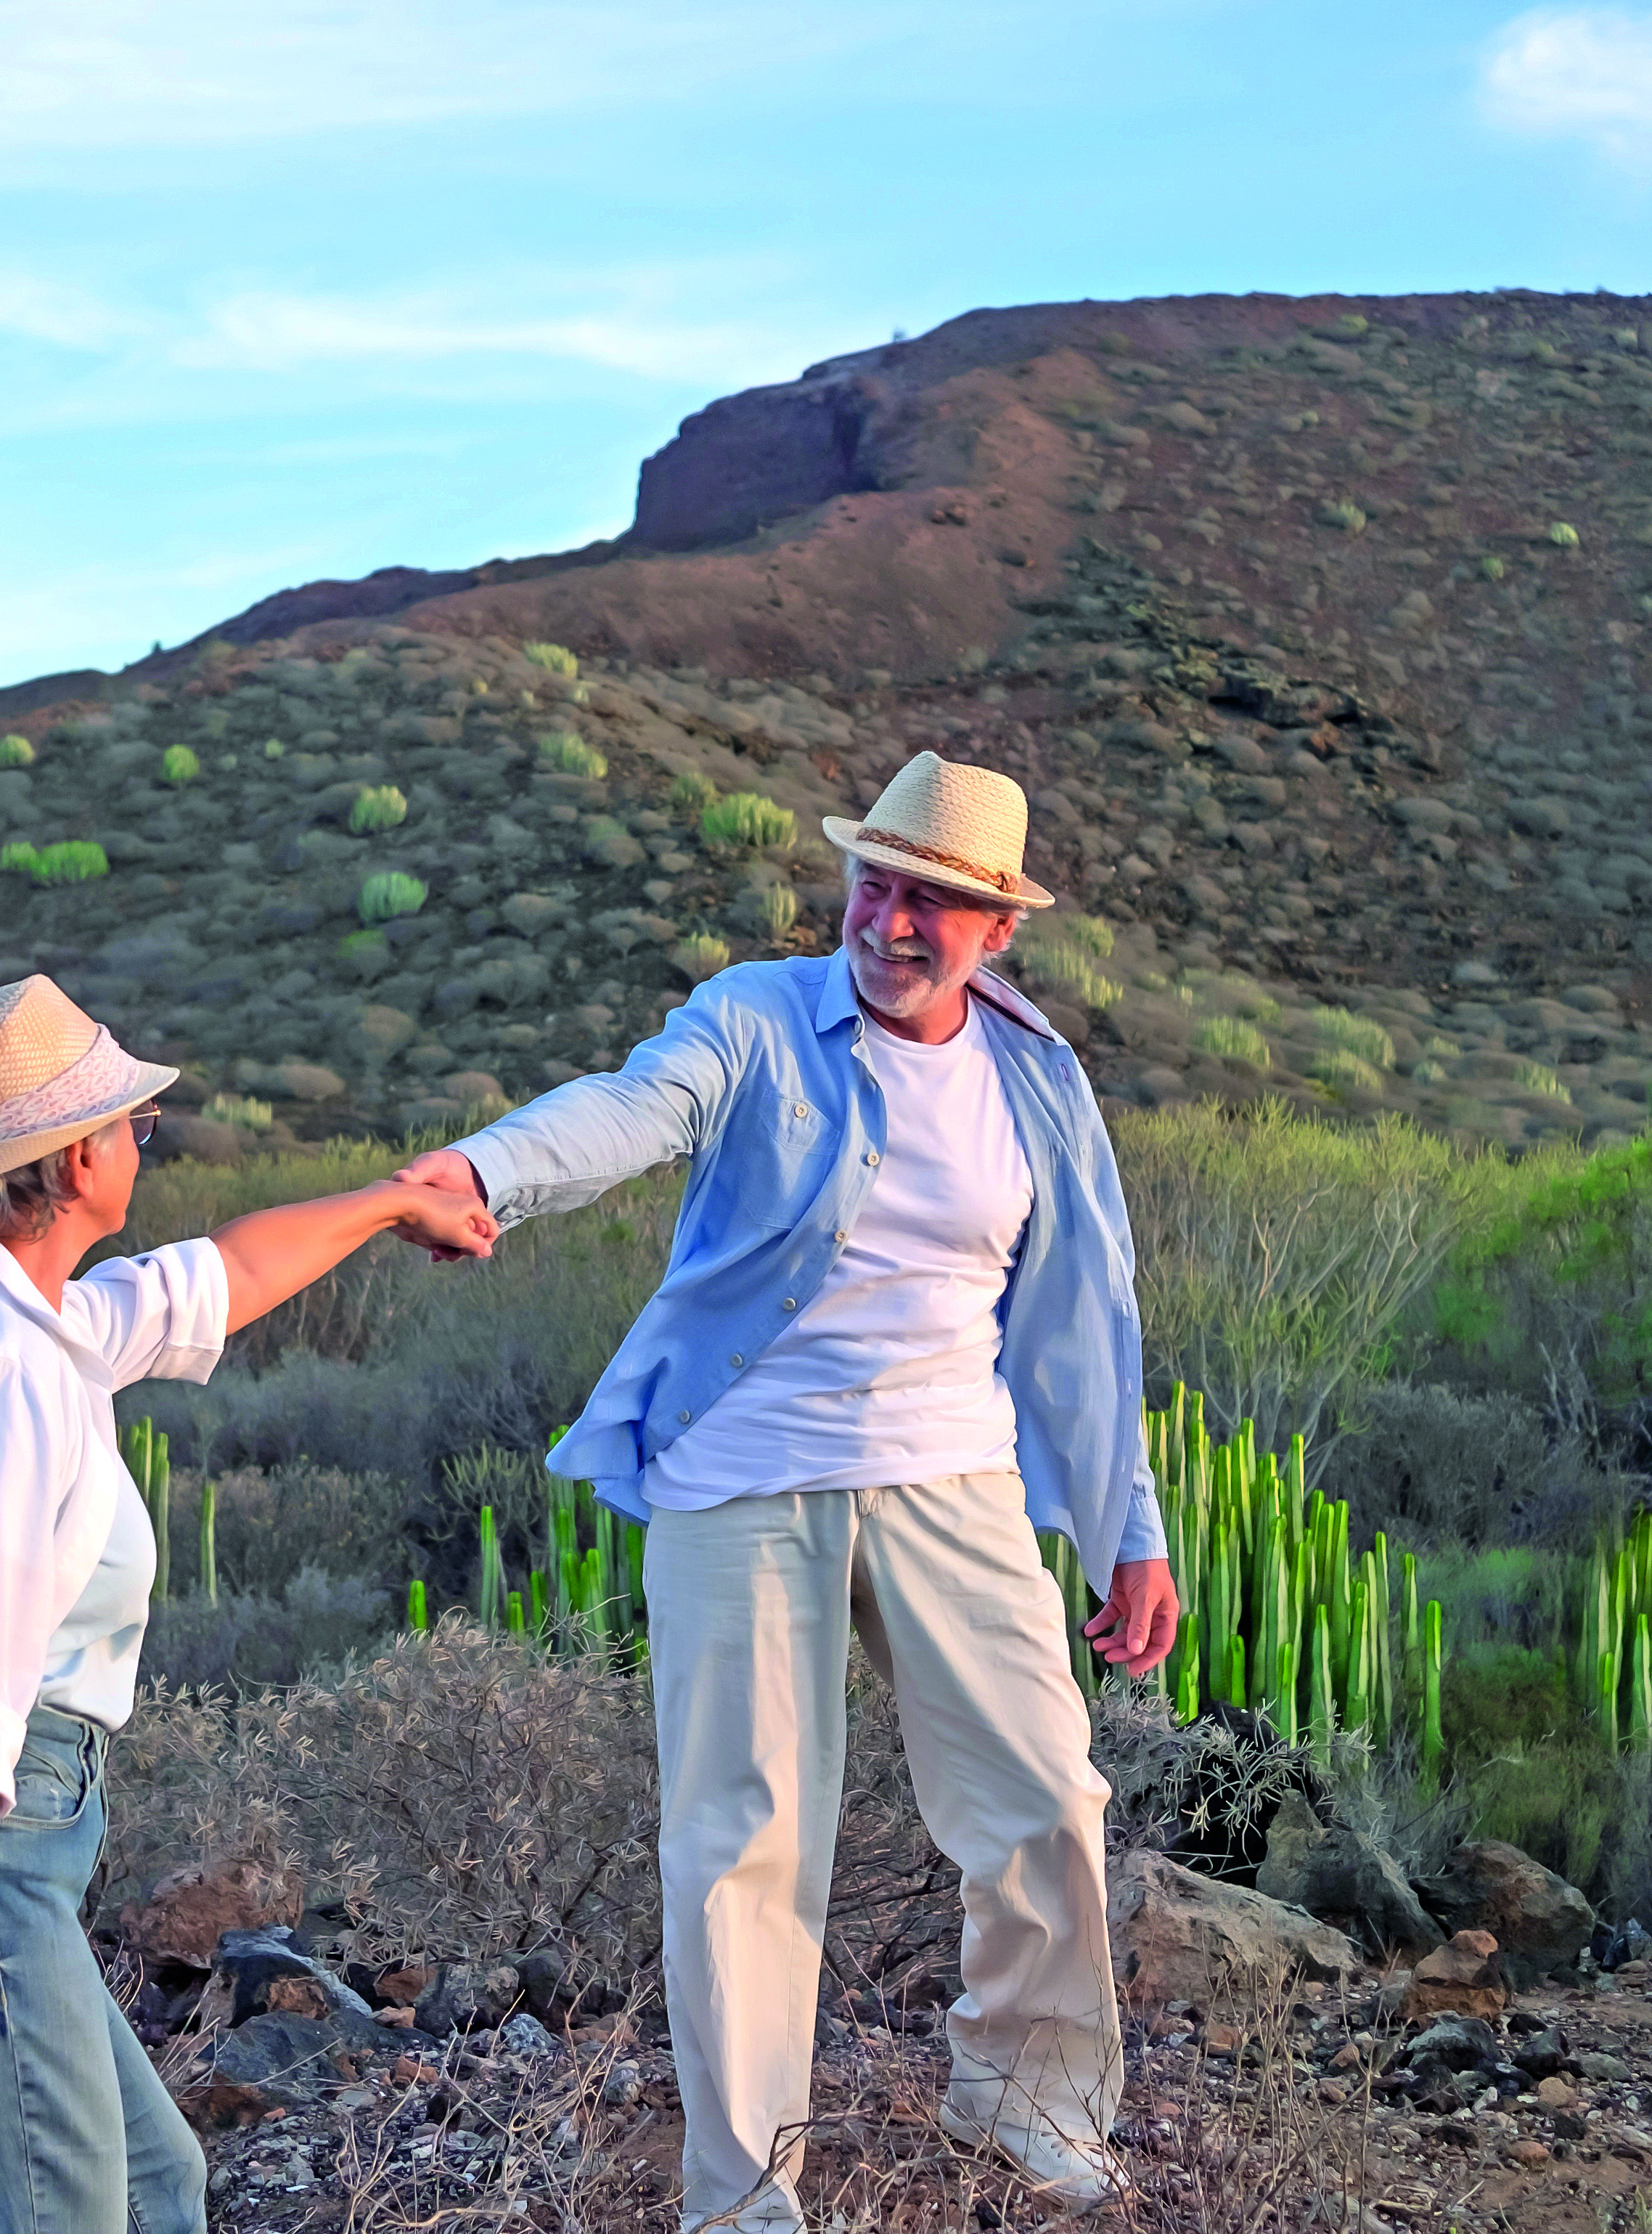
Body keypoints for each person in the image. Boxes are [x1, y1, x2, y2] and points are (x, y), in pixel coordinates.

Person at [396, 751, 1179, 2222]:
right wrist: (485, 1172)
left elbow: (1088, 1312)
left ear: (998, 929)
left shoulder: (1036, 1074)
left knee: (1045, 1798)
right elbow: (636, 1106)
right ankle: (744, 2193)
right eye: (875, 886)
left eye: (933, 904)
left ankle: (1025, 2098)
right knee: (742, 1845)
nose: (891, 923)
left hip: (952, 1470)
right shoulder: (755, 1015)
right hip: (744, 1473)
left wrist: (1126, 1524)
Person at [0, 973, 497, 2234]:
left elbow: (207, 1280)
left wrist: (390, 1203)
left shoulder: (0, 1320)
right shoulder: (2, 1378)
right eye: (133, 1125)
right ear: (76, 1156)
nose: (145, 1143)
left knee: (152, 2190)